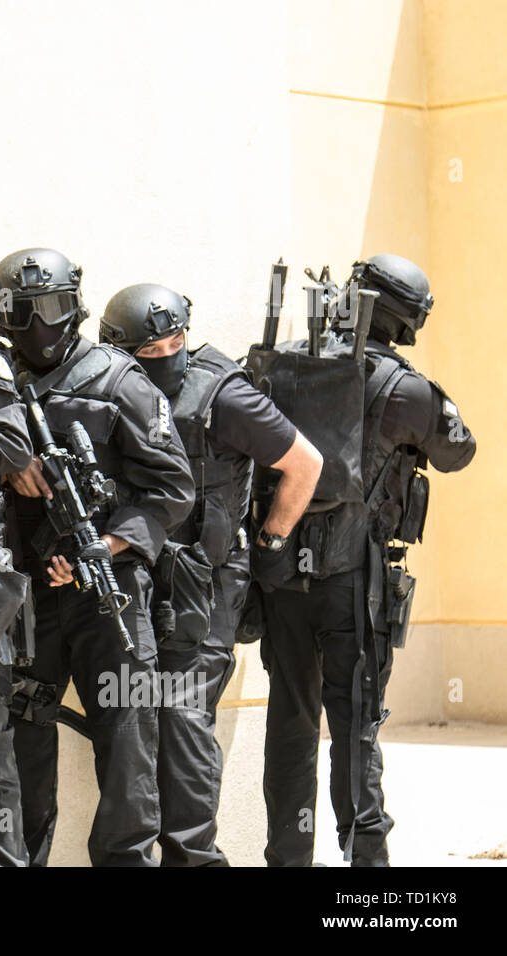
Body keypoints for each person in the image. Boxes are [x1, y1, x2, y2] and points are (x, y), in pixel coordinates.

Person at [256, 254, 475, 867]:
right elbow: (460, 451)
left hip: (281, 576)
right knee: (353, 728)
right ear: (405, 320)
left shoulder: (289, 361)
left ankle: (289, 857)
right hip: (353, 582)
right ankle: (368, 870)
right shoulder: (403, 389)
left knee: (291, 724)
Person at [98, 282, 322, 865]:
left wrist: (270, 538)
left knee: (185, 722)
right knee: (138, 720)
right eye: (150, 351)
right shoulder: (110, 386)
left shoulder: (223, 396)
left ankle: (196, 859)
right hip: (135, 578)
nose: (166, 356)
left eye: (175, 343)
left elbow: (305, 463)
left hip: (203, 587)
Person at [0, 248, 195, 867]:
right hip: (22, 595)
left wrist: (103, 547)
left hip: (107, 592)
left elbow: (174, 487)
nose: (39, 325)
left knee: (127, 746)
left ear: (76, 305)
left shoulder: (117, 379)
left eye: (52, 308)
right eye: (23, 312)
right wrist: (8, 459)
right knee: (22, 752)